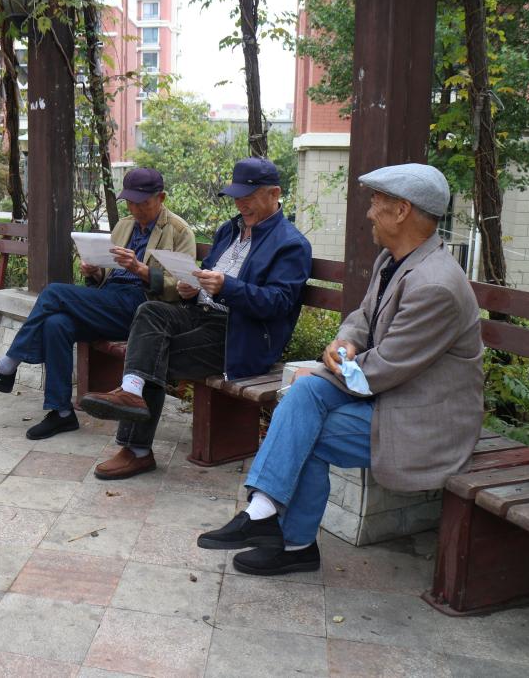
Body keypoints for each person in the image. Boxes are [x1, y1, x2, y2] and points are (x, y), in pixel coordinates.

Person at [197, 163, 483, 576]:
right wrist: (345, 341)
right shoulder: (394, 260)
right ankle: (268, 517)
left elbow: (386, 366)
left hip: (425, 419)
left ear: (402, 210)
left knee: (305, 425)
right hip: (390, 397)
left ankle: (288, 538)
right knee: (304, 399)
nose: (369, 212)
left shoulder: (435, 285)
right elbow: (362, 318)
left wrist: (321, 369)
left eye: (377, 202)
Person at [80, 158, 312, 479]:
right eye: (236, 197)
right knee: (150, 311)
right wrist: (191, 288)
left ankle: (136, 448)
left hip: (239, 335)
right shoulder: (229, 230)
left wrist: (226, 287)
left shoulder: (290, 244)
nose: (240, 204)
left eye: (248, 196)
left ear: (275, 193)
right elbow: (205, 276)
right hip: (200, 314)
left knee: (150, 354)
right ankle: (131, 393)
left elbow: (279, 303)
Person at [0, 168, 196, 439]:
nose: (135, 209)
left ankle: (5, 367)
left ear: (161, 197)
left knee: (54, 293)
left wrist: (141, 270)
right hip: (112, 301)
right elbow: (109, 273)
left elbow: (183, 287)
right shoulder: (125, 225)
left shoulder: (179, 231)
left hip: (143, 309)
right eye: (130, 202)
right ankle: (61, 412)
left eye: (143, 203)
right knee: (56, 324)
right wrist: (95, 271)